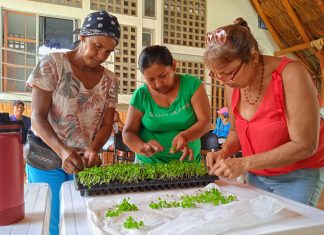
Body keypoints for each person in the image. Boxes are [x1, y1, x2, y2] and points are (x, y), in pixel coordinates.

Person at [204, 17, 324, 206]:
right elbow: (235, 131)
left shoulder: (291, 75)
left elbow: (305, 144)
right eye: (216, 75)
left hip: (296, 176)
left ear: (253, 57)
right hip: (257, 174)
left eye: (228, 73)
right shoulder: (232, 84)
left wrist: (243, 164)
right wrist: (224, 151)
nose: (224, 80)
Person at [26, 10, 120, 235]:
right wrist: (63, 151)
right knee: (51, 220)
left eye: (108, 51)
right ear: (83, 36)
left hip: (82, 162)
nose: (101, 55)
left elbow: (107, 125)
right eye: (97, 46)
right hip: (47, 156)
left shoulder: (111, 80)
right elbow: (37, 117)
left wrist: (93, 149)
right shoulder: (52, 64)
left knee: (81, 219)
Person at [123, 45, 210, 164]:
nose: (158, 84)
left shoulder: (192, 86)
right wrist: (142, 146)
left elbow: (205, 122)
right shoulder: (141, 95)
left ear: (174, 66)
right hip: (149, 165)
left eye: (163, 76)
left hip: (189, 165)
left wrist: (185, 136)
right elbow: (128, 133)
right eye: (151, 80)